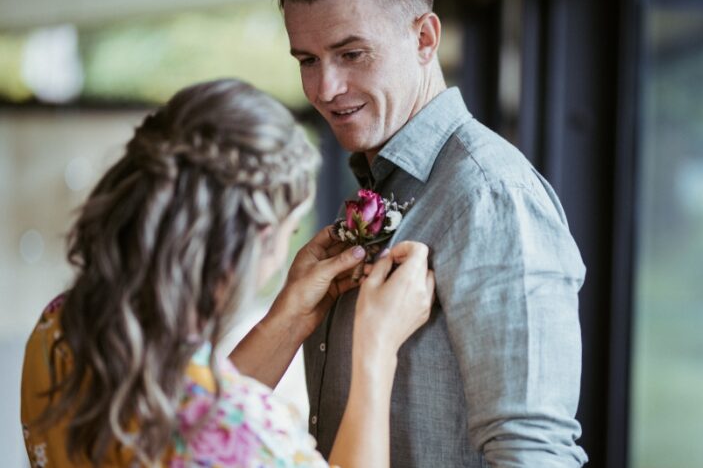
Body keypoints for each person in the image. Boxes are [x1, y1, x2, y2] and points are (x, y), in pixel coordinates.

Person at [232, 0, 588, 465]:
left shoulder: (492, 194)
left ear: (424, 39)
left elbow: (532, 452)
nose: (325, 88)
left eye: (352, 54)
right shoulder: (378, 184)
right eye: (307, 60)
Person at [21, 78, 435, 467]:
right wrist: (375, 352)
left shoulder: (59, 328)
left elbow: (192, 418)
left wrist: (288, 322)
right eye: (289, 233)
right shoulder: (253, 433)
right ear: (257, 240)